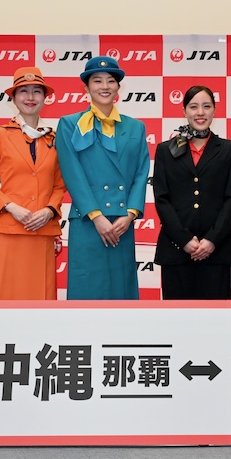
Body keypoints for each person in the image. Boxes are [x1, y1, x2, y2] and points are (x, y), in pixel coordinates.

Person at [55, 56, 150, 300]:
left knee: (121, 290)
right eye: (97, 81)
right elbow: (72, 173)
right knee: (88, 289)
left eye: (110, 81)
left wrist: (130, 214)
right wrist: (97, 217)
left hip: (121, 223)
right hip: (89, 221)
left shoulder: (136, 127)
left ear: (119, 87)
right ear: (86, 87)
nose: (104, 86)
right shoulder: (70, 124)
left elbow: (141, 172)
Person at [0, 67, 66, 300]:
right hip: (6, 229)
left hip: (41, 230)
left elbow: (59, 185)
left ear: (45, 97)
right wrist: (11, 207)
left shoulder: (55, 138)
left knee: (37, 301)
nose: (30, 97)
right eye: (23, 91)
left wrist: (49, 210)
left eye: (37, 91)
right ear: (13, 98)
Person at [153, 86, 231, 300]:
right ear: (184, 111)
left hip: (217, 251)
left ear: (214, 110)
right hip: (175, 251)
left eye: (206, 106)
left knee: (217, 325)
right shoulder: (166, 150)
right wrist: (184, 239)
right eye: (193, 107)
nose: (200, 112)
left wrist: (212, 239)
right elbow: (162, 199)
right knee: (176, 325)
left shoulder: (230, 149)